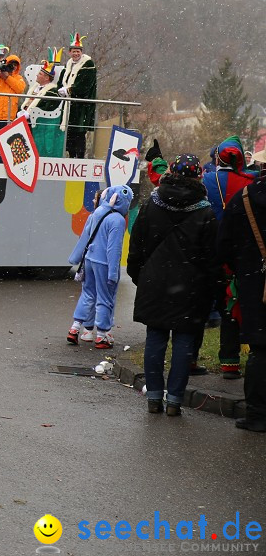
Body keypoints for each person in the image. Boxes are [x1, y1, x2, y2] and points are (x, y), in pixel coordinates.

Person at [127, 155, 222, 416]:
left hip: (155, 281)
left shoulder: (151, 205)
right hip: (191, 287)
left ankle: (154, 397)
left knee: (155, 339)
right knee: (184, 343)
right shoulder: (205, 212)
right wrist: (214, 288)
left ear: (172, 172)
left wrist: (140, 276)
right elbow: (212, 258)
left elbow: (136, 248)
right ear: (198, 177)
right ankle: (175, 400)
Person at [217, 171, 266, 432]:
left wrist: (243, 266)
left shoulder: (244, 199)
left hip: (254, 282)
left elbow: (223, 244)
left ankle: (258, 414)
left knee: (260, 348)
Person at [203, 136, 254, 380]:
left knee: (216, 308)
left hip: (210, 251)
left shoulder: (206, 180)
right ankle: (252, 357)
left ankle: (227, 362)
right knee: (242, 305)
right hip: (242, 253)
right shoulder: (249, 182)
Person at [67, 184, 133, 350]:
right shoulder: (117, 220)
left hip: (89, 258)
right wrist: (112, 273)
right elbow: (114, 249)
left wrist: (75, 257)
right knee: (105, 298)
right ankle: (102, 336)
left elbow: (85, 237)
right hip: (104, 262)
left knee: (88, 294)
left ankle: (75, 328)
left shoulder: (97, 213)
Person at [17, 49, 63, 157]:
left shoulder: (52, 91)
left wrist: (30, 113)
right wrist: (21, 111)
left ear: (46, 78)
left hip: (40, 124)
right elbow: (27, 102)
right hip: (26, 120)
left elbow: (47, 106)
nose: (37, 75)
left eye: (40, 74)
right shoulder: (34, 88)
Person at [58, 33, 97, 158]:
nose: (76, 54)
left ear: (81, 52)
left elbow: (85, 86)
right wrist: (60, 90)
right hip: (69, 105)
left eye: (78, 51)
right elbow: (61, 81)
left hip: (81, 105)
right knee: (69, 133)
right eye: (74, 51)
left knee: (79, 133)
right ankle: (71, 155)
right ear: (69, 52)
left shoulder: (88, 64)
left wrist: (69, 90)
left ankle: (79, 158)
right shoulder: (69, 65)